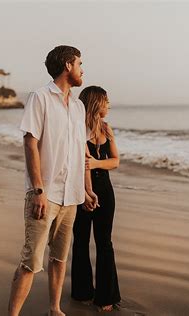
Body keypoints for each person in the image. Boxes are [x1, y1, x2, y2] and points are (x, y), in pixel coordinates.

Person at [8, 46, 98, 316]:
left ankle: (54, 309)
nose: (83, 69)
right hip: (45, 195)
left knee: (60, 258)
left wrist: (87, 188)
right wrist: (38, 190)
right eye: (80, 63)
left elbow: (81, 151)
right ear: (68, 65)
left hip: (71, 196)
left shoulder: (79, 106)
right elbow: (30, 142)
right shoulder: (40, 97)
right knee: (31, 261)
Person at [71, 86, 121, 312]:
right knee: (81, 241)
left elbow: (115, 161)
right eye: (106, 101)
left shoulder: (106, 128)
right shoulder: (77, 130)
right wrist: (85, 193)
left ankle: (106, 296)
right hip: (80, 190)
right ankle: (82, 292)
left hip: (105, 190)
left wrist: (97, 163)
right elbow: (81, 166)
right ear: (95, 103)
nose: (109, 105)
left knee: (104, 243)